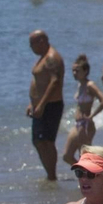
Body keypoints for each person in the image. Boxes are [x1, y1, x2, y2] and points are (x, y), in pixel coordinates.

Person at [27, 31, 65, 181]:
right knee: (38, 141)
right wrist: (32, 103)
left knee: (46, 141)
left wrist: (41, 104)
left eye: (32, 44)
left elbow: (54, 82)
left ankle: (52, 175)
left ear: (42, 41)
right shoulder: (43, 58)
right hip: (41, 105)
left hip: (50, 105)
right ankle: (49, 174)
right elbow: (39, 83)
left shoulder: (50, 58)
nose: (31, 47)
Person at [62, 55, 103, 168]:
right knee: (67, 156)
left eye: (77, 70)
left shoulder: (90, 85)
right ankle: (84, 174)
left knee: (85, 158)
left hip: (86, 126)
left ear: (85, 71)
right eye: (73, 70)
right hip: (77, 125)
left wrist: (91, 115)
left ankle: (90, 177)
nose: (74, 73)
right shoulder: (80, 84)